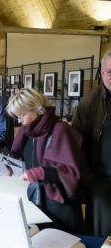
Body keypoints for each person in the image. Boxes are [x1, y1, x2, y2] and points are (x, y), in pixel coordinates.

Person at [6, 88, 84, 234]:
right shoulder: (27, 132)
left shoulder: (60, 130)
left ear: (38, 109)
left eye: (23, 114)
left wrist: (39, 173)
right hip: (35, 203)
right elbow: (24, 158)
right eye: (17, 116)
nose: (19, 120)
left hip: (59, 207)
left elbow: (70, 172)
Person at [72, 50, 111, 237]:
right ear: (101, 72)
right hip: (100, 179)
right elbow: (77, 144)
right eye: (109, 72)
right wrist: (88, 178)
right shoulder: (89, 103)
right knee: (102, 233)